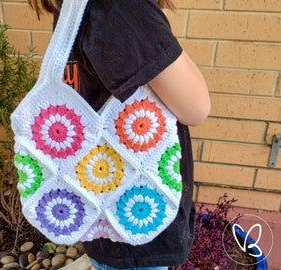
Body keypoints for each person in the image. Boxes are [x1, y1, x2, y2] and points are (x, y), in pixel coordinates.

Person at [26, 0, 211, 269]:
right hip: (136, 227)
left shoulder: (76, 6)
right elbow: (196, 108)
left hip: (105, 202)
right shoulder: (122, 8)